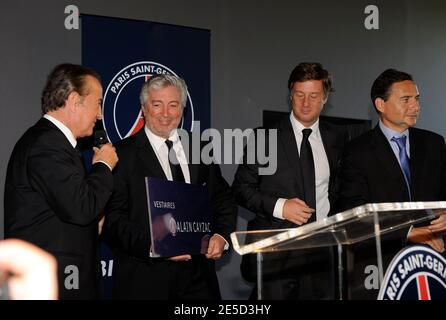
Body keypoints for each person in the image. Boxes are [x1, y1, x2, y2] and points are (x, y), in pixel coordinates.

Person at [102, 74, 237, 299]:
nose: (166, 113)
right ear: (144, 108)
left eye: (173, 105)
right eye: (157, 104)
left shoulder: (200, 148)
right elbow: (112, 219)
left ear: (182, 108)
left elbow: (222, 198)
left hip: (199, 281)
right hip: (145, 281)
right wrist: (156, 246)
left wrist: (222, 236)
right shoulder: (120, 155)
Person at [232, 62, 348, 299]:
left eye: (314, 96)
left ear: (325, 98)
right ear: (290, 96)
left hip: (322, 254)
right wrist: (280, 206)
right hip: (276, 255)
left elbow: (337, 190)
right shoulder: (264, 138)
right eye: (300, 95)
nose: (306, 103)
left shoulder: (337, 137)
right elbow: (241, 189)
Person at [4, 63, 118, 299]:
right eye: (98, 103)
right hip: (53, 284)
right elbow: (81, 207)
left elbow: (70, 207)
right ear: (75, 100)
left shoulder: (57, 144)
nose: (99, 115)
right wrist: (104, 165)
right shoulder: (47, 143)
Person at [336, 68, 446, 298]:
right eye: (406, 99)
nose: (415, 106)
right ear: (380, 104)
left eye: (416, 99)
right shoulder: (357, 152)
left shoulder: (434, 143)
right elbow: (354, 214)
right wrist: (407, 233)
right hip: (380, 269)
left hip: (434, 265)